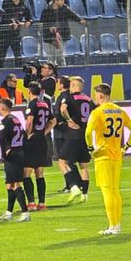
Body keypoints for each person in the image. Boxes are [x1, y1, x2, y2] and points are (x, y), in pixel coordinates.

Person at [86, 83, 131, 236]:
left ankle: (112, 225)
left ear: (100, 96)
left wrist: (91, 149)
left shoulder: (97, 112)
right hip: (117, 155)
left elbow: (88, 133)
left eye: (95, 95)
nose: (94, 98)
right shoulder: (119, 111)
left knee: (106, 190)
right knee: (115, 190)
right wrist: (126, 147)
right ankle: (117, 224)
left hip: (103, 155)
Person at [0, 98, 32, 222]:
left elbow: (2, 139)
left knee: (16, 184)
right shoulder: (16, 119)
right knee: (9, 184)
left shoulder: (4, 121)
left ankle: (25, 213)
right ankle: (9, 212)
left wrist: (4, 154)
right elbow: (23, 134)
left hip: (12, 156)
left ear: (3, 107)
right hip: (19, 153)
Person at [59, 76, 93, 204]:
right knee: (83, 166)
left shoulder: (69, 97)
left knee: (62, 162)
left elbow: (63, 109)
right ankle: (85, 194)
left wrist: (69, 120)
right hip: (85, 135)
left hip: (73, 135)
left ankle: (73, 188)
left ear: (73, 85)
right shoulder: (88, 99)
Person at [22, 81, 54, 211]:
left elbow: (29, 122)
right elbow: (53, 120)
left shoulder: (32, 104)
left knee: (26, 173)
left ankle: (31, 203)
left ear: (29, 92)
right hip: (42, 140)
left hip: (33, 141)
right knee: (39, 172)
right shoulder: (44, 104)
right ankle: (42, 203)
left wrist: (27, 135)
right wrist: (44, 131)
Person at [39, 0, 85, 66]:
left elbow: (73, 15)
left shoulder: (65, 8)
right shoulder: (46, 10)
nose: (63, 2)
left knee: (60, 56)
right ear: (55, 1)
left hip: (62, 36)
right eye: (61, 0)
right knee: (51, 59)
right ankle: (51, 71)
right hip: (49, 37)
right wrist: (49, 27)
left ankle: (63, 70)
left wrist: (80, 20)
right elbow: (42, 23)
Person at [0, 0, 32, 67]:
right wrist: (13, 22)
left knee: (18, 55)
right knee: (1, 57)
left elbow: (29, 18)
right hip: (3, 34)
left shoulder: (24, 7)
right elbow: (6, 15)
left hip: (15, 35)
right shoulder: (6, 3)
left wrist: (29, 22)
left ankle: (19, 71)